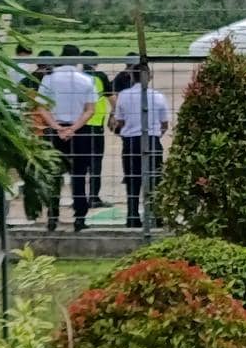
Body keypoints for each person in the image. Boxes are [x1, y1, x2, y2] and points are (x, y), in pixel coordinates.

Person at [36, 45, 99, 232]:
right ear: (78, 59)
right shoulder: (87, 80)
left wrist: (57, 127)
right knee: (79, 175)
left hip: (55, 131)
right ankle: (79, 218)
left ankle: (52, 216)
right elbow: (90, 110)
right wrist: (73, 128)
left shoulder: (49, 79)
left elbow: (41, 107)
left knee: (54, 175)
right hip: (79, 131)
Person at [110, 62, 170, 228]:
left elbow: (120, 121)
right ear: (149, 77)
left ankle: (132, 216)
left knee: (132, 179)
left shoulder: (123, 95)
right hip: (151, 139)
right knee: (154, 179)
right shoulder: (158, 96)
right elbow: (164, 123)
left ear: (131, 77)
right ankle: (156, 216)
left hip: (130, 141)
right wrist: (157, 133)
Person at [80, 50, 114, 209]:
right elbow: (112, 98)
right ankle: (94, 197)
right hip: (95, 125)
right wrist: (113, 114)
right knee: (95, 164)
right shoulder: (100, 77)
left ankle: (79, 199)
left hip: (78, 126)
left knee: (78, 164)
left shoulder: (77, 78)